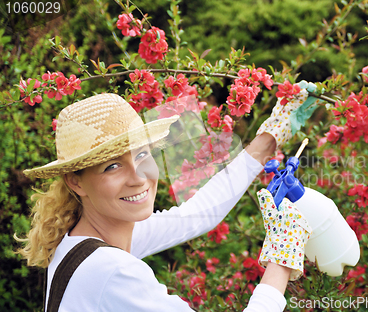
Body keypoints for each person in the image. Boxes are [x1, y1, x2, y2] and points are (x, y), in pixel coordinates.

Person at [17, 91, 316, 311]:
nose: (138, 177)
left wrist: (271, 137)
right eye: (112, 166)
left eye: (142, 154)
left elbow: (197, 214)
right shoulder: (112, 271)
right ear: (75, 181)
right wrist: (282, 255)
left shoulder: (83, 241)